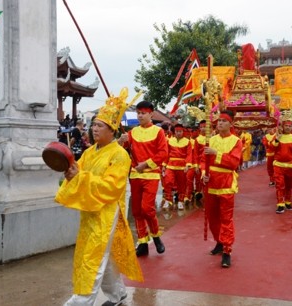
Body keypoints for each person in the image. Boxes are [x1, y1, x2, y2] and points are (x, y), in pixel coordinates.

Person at [56, 90, 143, 306]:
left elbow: (111, 188)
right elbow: (78, 171)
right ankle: (118, 293)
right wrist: (70, 174)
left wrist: (80, 177)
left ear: (112, 130)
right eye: (94, 124)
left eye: (100, 125)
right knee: (98, 253)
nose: (94, 129)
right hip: (89, 209)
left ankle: (82, 300)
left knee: (93, 254)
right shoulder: (90, 151)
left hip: (107, 210)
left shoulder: (120, 155)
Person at [118, 100, 168, 257]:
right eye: (138, 113)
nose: (140, 115)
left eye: (143, 113)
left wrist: (146, 164)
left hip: (151, 175)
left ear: (151, 114)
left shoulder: (158, 132)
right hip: (134, 175)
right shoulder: (132, 133)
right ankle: (142, 242)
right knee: (137, 211)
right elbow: (122, 150)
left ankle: (156, 235)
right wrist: (121, 141)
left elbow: (163, 153)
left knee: (147, 208)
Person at [201, 110, 242, 268]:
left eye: (224, 121)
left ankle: (227, 250)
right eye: (218, 121)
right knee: (212, 217)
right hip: (211, 183)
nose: (220, 123)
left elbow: (233, 163)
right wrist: (204, 173)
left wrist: (216, 153)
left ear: (230, 124)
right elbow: (202, 160)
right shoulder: (210, 140)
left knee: (226, 218)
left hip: (226, 183)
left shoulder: (236, 141)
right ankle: (219, 241)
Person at [271, 119, 292, 214]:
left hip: (291, 165)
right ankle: (280, 204)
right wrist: (277, 138)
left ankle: (288, 201)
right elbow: (271, 148)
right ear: (283, 127)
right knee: (280, 185)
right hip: (278, 165)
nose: (288, 128)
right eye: (286, 126)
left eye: (290, 126)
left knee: (289, 185)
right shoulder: (277, 137)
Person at [162, 124, 192, 210]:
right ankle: (168, 200)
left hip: (182, 166)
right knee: (168, 182)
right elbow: (166, 153)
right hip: (170, 165)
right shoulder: (170, 141)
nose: (178, 133)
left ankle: (180, 201)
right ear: (174, 132)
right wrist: (164, 165)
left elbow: (189, 154)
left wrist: (188, 165)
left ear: (183, 132)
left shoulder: (187, 141)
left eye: (180, 131)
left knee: (182, 184)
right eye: (177, 131)